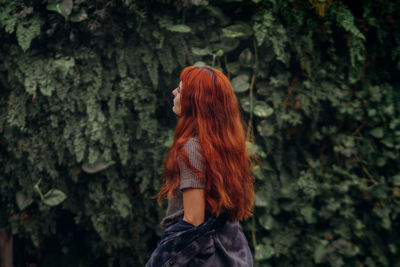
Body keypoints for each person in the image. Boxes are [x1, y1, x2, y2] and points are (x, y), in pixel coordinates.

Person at [146, 66, 254, 267]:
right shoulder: (224, 146)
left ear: (194, 102)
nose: (174, 92)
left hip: (201, 257)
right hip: (231, 252)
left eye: (179, 90)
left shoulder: (193, 148)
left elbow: (193, 221)